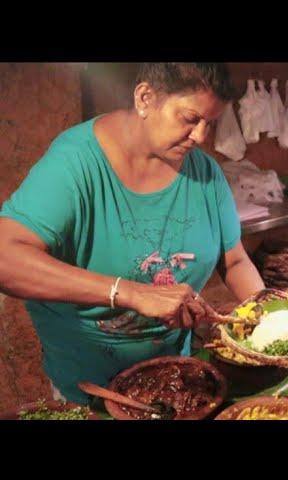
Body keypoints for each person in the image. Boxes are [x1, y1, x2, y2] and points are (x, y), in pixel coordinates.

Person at [0, 63, 265, 404]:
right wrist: (128, 292)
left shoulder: (205, 175)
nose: (201, 137)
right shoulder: (76, 164)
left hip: (174, 379)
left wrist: (267, 319)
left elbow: (236, 260)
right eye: (189, 119)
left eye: (210, 124)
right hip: (90, 389)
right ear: (144, 98)